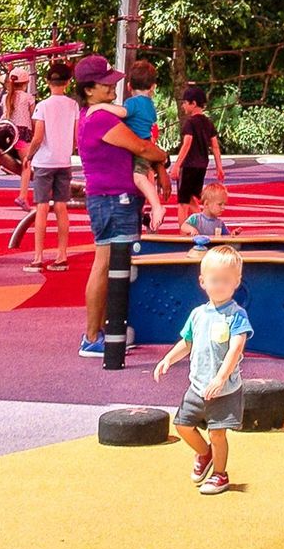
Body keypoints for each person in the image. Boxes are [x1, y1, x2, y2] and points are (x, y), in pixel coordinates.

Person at [74, 57, 166, 359]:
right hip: (113, 198)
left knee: (112, 264)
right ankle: (91, 335)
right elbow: (141, 147)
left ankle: (104, 329)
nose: (112, 85)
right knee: (106, 263)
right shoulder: (100, 118)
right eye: (105, 82)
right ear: (89, 89)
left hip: (114, 197)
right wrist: (162, 156)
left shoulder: (96, 115)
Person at [157, 243, 256, 495]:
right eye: (214, 280)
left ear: (237, 282)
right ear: (203, 281)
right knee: (182, 424)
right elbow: (187, 342)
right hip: (198, 385)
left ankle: (220, 475)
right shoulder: (198, 314)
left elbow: (236, 348)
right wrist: (168, 358)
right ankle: (204, 453)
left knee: (217, 433)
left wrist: (221, 378)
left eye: (226, 280)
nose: (219, 285)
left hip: (223, 389)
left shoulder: (236, 315)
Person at [10, 69, 83, 261]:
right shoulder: (73, 105)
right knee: (61, 206)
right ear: (67, 82)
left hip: (44, 161)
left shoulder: (42, 106)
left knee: (42, 207)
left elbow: (38, 136)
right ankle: (62, 254)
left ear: (47, 82)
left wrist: (30, 155)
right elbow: (76, 136)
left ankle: (38, 256)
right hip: (63, 160)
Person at [172, 81, 225, 212]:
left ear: (193, 103)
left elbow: (187, 143)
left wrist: (177, 165)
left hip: (188, 165)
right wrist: (219, 167)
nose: (183, 105)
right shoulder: (208, 123)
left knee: (183, 202)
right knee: (191, 196)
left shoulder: (189, 123)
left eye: (185, 102)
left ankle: (183, 230)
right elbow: (215, 146)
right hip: (202, 165)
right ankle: (202, 220)